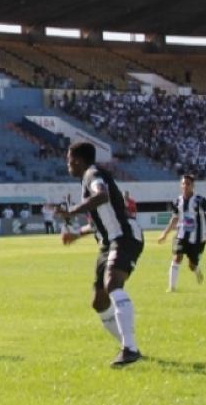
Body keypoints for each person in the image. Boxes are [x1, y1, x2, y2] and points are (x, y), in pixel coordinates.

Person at [59, 142, 145, 367]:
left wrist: (72, 211)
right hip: (108, 242)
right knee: (99, 301)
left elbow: (102, 195)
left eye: (69, 160)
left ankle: (130, 348)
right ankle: (130, 347)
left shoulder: (92, 174)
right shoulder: (87, 178)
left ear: (78, 160)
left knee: (113, 284)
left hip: (124, 236)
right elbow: (101, 220)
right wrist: (77, 234)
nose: (68, 164)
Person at [157, 174, 206, 292]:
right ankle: (171, 288)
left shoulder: (200, 200)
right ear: (180, 185)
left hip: (197, 238)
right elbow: (174, 218)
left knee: (191, 265)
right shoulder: (177, 201)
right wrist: (165, 233)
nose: (185, 186)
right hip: (181, 235)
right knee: (177, 257)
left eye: (188, 184)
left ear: (193, 186)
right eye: (183, 183)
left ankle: (197, 270)